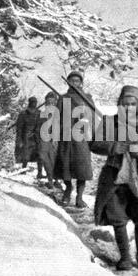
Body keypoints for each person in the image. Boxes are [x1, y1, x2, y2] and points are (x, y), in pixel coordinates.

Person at [90, 85, 138, 271]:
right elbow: (95, 144)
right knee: (117, 216)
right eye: (125, 103)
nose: (129, 107)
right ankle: (124, 257)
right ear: (120, 104)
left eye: (133, 103)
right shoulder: (109, 122)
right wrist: (114, 147)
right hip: (114, 176)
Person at [54, 70, 95, 208]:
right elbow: (56, 117)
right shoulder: (63, 98)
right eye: (72, 81)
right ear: (68, 82)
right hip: (66, 137)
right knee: (65, 166)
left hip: (82, 137)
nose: (74, 83)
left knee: (82, 167)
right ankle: (67, 190)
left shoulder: (87, 98)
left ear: (81, 83)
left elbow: (92, 116)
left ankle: (80, 197)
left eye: (77, 81)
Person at [15, 96, 44, 178]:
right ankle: (23, 171)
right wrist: (19, 139)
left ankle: (40, 173)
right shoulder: (23, 114)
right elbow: (19, 128)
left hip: (37, 136)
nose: (34, 104)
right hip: (27, 137)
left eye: (35, 102)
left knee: (40, 155)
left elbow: (42, 125)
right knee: (26, 155)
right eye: (32, 102)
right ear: (29, 102)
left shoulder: (39, 113)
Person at [38, 91, 61, 189]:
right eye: (48, 102)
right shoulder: (42, 114)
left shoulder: (59, 114)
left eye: (52, 102)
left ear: (55, 103)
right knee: (44, 158)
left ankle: (55, 180)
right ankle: (50, 179)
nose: (50, 104)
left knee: (53, 160)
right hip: (43, 139)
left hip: (55, 140)